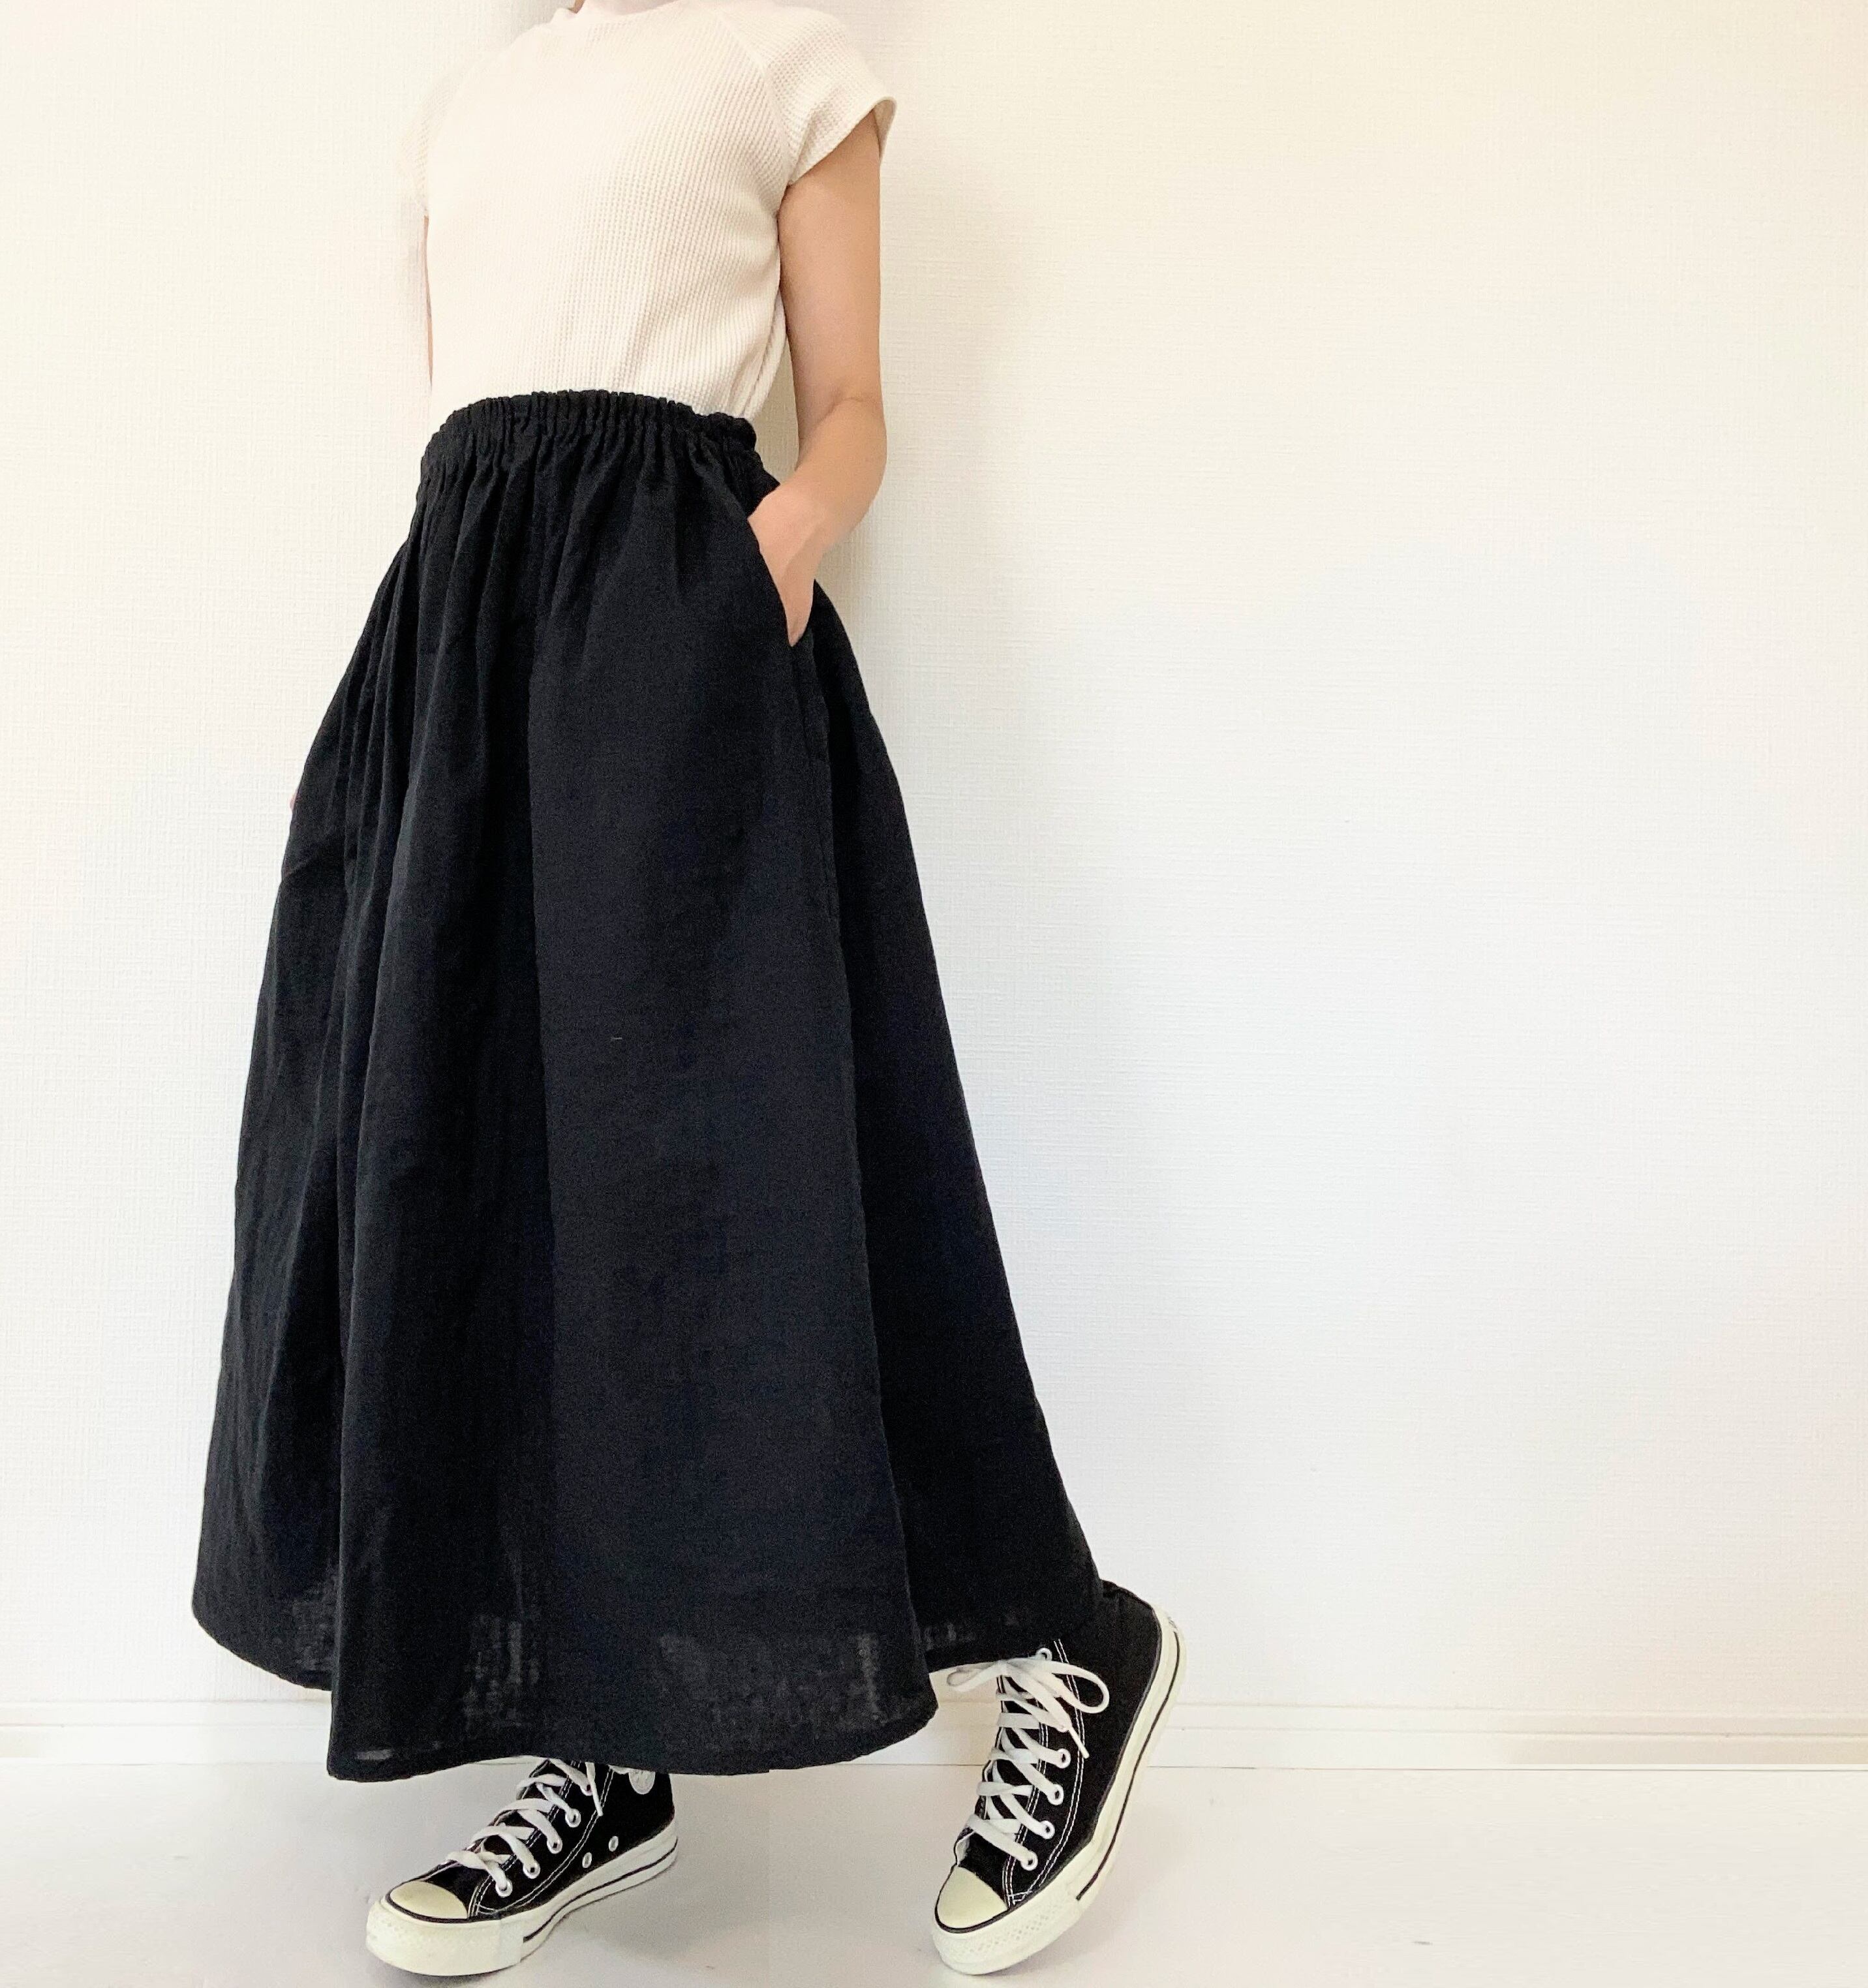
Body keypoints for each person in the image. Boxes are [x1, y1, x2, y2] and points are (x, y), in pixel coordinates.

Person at [190, 0, 1181, 1974]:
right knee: (471, 1180)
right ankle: (598, 1741)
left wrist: (765, 557)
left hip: (668, 630)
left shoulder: (790, 68)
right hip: (460, 654)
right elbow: (463, 414)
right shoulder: (471, 96)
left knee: (763, 1172)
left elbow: (855, 406)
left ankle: (1071, 1641)